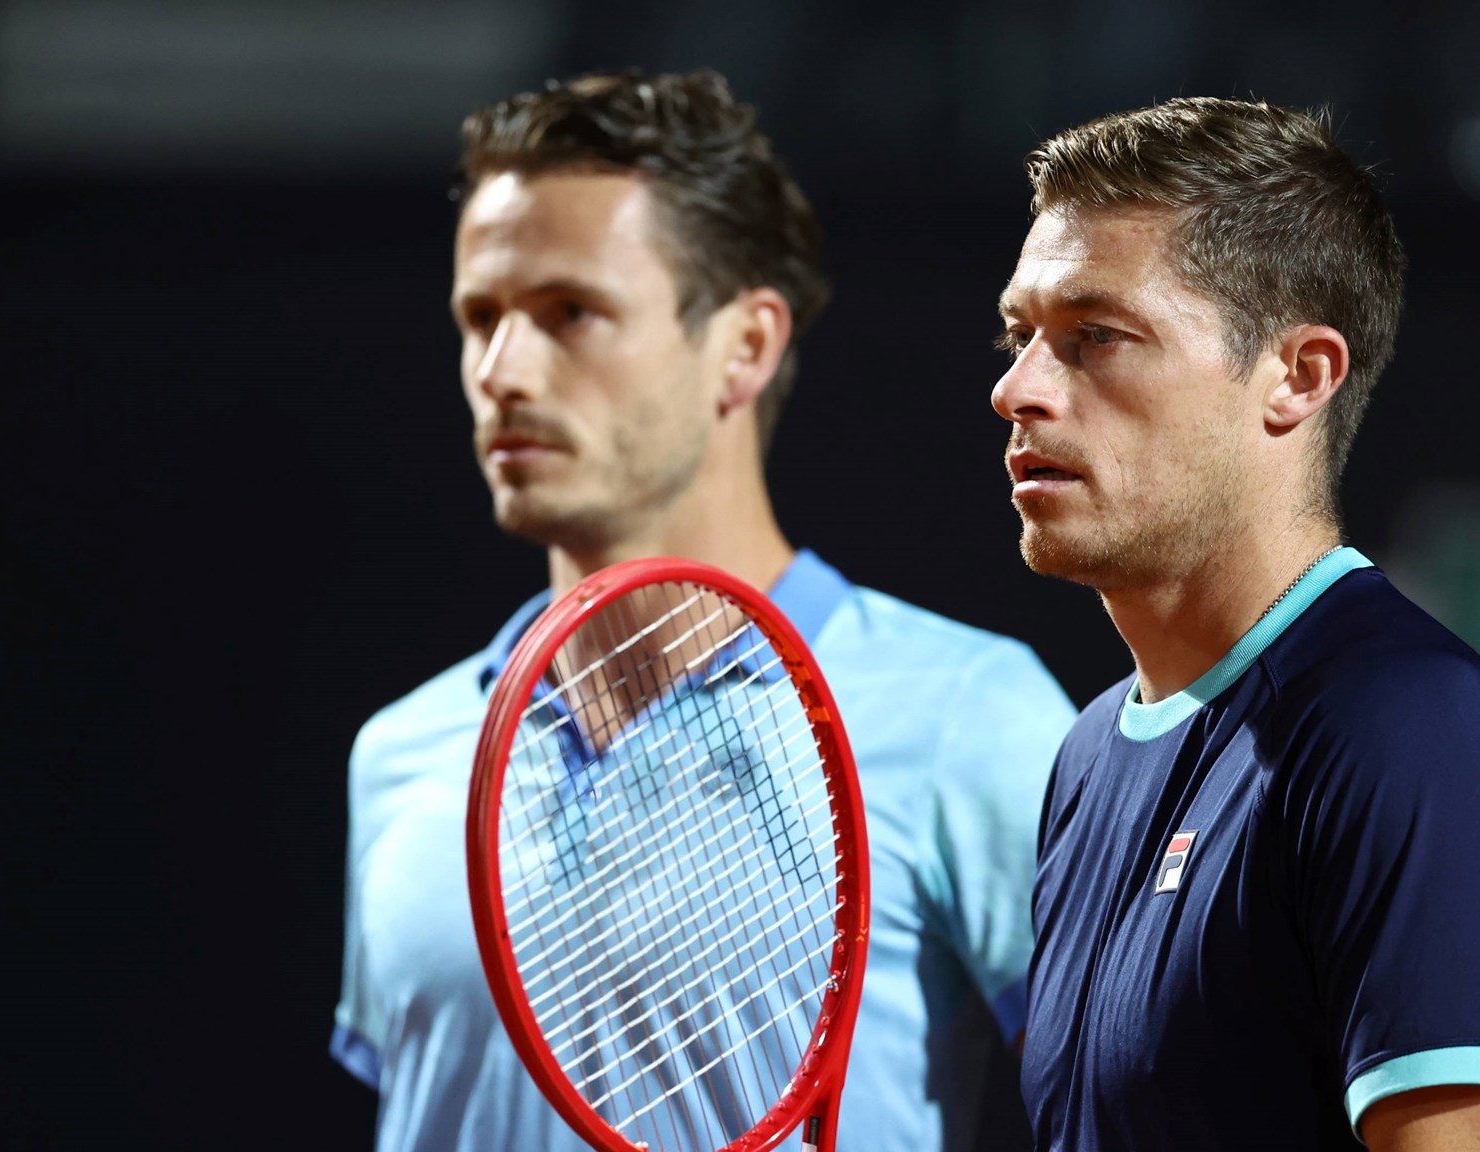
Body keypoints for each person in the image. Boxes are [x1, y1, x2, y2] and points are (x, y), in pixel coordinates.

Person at [332, 69, 1075, 1152]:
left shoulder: (972, 715)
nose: (501, 369)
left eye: (569, 312)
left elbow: (1153, 1104)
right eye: (479, 317)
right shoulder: (399, 754)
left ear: (744, 345)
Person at [992, 98, 1480, 1152]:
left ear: (1297, 377)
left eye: (1096, 338)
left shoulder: (1409, 733)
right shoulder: (1087, 754)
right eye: (1021, 335)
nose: (1017, 389)